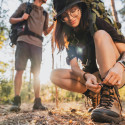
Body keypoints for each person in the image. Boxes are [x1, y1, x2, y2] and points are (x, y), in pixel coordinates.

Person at [50, 0, 125, 123]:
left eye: (73, 11)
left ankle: (112, 99)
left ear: (80, 7)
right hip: (96, 77)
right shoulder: (69, 35)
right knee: (54, 75)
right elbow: (74, 67)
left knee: (100, 35)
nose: (70, 18)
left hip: (117, 74)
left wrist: (120, 65)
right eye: (64, 15)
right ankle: (96, 96)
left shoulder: (97, 21)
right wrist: (87, 75)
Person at [9, 0, 54, 111]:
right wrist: (22, 18)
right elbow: (11, 20)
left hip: (38, 45)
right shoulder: (25, 6)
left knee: (36, 73)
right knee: (20, 70)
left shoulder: (45, 13)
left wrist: (55, 23)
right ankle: (16, 101)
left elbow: (45, 32)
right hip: (23, 41)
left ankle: (37, 103)